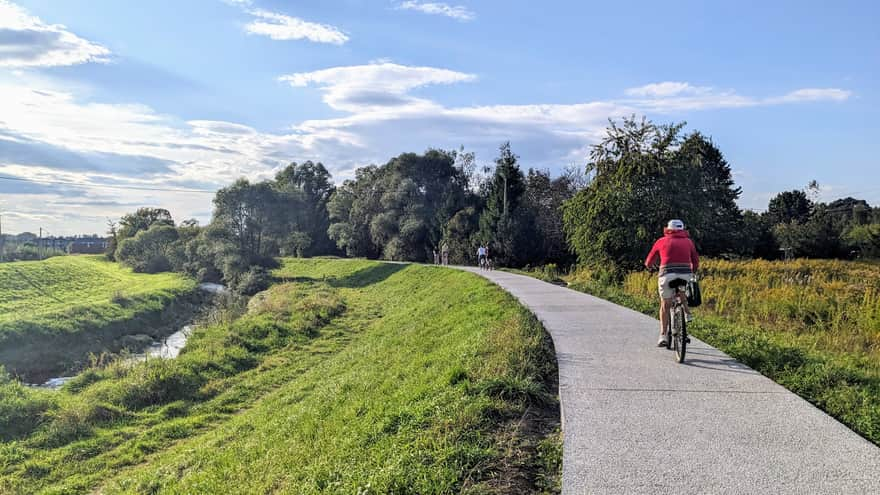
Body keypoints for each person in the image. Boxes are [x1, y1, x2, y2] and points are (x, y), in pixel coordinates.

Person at [644, 219, 699, 347]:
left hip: (666, 275)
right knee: (681, 293)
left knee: (665, 304)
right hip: (685, 274)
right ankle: (685, 317)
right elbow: (695, 261)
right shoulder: (689, 242)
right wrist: (692, 272)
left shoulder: (661, 241)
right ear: (683, 229)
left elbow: (648, 262)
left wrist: (650, 267)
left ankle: (663, 335)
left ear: (668, 229)